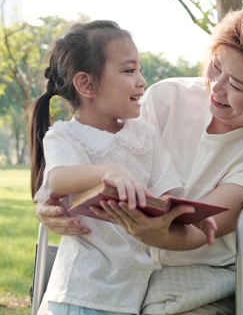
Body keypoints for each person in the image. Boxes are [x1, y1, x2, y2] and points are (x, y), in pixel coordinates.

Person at [36, 2, 243, 314]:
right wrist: (52, 200)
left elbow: (200, 229)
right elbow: (94, 152)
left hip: (213, 278)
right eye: (216, 67)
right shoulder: (166, 98)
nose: (217, 89)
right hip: (131, 268)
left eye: (237, 85)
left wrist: (156, 233)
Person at [28, 20, 215, 315]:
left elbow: (169, 193)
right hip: (80, 294)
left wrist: (191, 216)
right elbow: (58, 178)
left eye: (139, 69)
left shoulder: (145, 136)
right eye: (129, 71)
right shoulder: (66, 136)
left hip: (131, 297)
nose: (141, 80)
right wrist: (106, 172)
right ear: (87, 84)